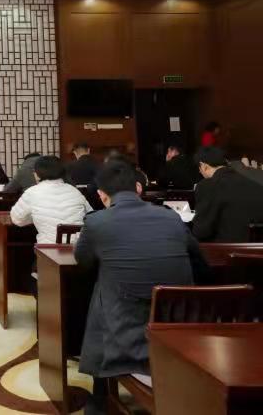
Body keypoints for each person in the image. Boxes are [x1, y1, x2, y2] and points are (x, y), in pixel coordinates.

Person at [75, 160, 207, 415]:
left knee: (102, 288)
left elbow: (83, 262)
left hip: (125, 337)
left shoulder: (96, 222)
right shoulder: (171, 217)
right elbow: (199, 261)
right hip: (178, 333)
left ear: (101, 195)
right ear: (138, 188)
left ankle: (100, 396)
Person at [10, 156, 92, 244]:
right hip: (79, 247)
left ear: (36, 174)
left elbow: (17, 219)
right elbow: (91, 216)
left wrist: (35, 217)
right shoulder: (74, 191)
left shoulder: (32, 192)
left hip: (48, 248)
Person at [192, 146, 263, 242]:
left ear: (203, 165)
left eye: (199, 169)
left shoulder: (207, 185)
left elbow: (201, 230)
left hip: (225, 248)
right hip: (257, 247)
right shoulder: (253, 183)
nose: (200, 172)